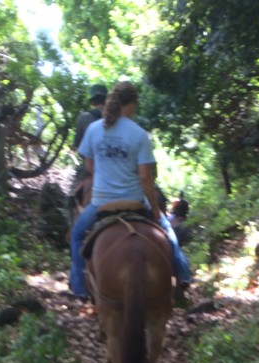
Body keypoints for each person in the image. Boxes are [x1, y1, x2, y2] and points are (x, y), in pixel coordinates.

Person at [69, 81, 192, 301]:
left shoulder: (94, 129)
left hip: (100, 203)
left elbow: (89, 167)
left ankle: (79, 286)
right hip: (135, 200)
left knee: (77, 235)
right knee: (169, 234)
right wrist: (154, 209)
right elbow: (145, 177)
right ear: (133, 104)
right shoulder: (139, 134)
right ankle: (182, 274)